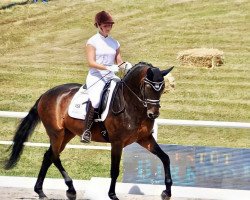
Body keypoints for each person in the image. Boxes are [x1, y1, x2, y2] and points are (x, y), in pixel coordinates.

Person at [81, 11, 132, 143]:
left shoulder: (114, 42)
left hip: (110, 76)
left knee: (123, 94)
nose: (108, 27)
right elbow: (91, 62)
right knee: (96, 99)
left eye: (110, 25)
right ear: (98, 25)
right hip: (96, 76)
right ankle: (86, 131)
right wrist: (107, 67)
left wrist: (125, 66)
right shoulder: (92, 42)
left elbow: (119, 60)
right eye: (105, 25)